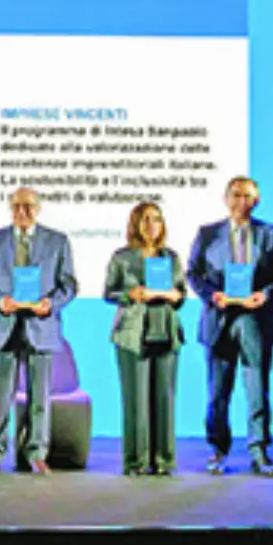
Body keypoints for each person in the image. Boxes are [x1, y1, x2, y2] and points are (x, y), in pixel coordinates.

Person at [187, 176, 273, 476]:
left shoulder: (271, 234)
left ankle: (259, 451)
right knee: (218, 392)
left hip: (256, 318)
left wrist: (265, 294)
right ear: (226, 198)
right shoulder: (207, 234)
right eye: (236, 195)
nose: (241, 201)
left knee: (258, 389)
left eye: (248, 196)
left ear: (256, 201)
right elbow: (193, 273)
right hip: (219, 318)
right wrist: (212, 295)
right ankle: (218, 450)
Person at [0, 187, 77, 477]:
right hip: (4, 327)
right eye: (17, 205)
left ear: (38, 208)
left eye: (29, 206)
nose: (23, 211)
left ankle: (37, 454)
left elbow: (69, 285)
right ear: (10, 208)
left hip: (41, 326)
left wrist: (51, 304)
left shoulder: (57, 241)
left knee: (39, 397)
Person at [103, 202, 186, 477]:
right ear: (135, 223)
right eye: (146, 219)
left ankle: (163, 460)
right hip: (132, 333)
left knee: (165, 398)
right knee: (135, 400)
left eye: (157, 219)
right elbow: (109, 293)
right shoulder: (122, 258)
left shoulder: (171, 257)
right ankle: (136, 461)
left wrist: (175, 295)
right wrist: (131, 295)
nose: (152, 224)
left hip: (166, 330)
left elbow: (181, 293)